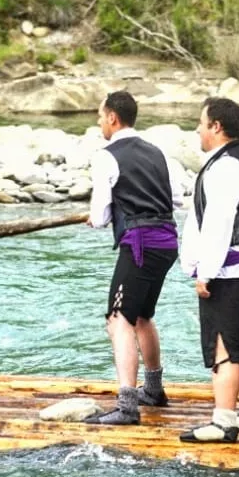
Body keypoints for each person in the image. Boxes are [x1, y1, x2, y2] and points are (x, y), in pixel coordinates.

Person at [84, 90, 186, 425]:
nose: (100, 122)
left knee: (118, 319)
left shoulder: (106, 155)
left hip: (140, 242)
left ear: (113, 117)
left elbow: (99, 216)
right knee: (141, 314)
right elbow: (174, 198)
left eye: (101, 116)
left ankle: (127, 405)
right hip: (167, 241)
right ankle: (153, 389)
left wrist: (97, 217)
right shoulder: (158, 152)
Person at [178, 97, 239, 443]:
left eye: (201, 123)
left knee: (225, 348)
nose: (198, 130)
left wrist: (205, 272)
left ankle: (224, 421)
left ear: (216, 127)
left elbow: (219, 223)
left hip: (230, 273)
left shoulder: (226, 166)